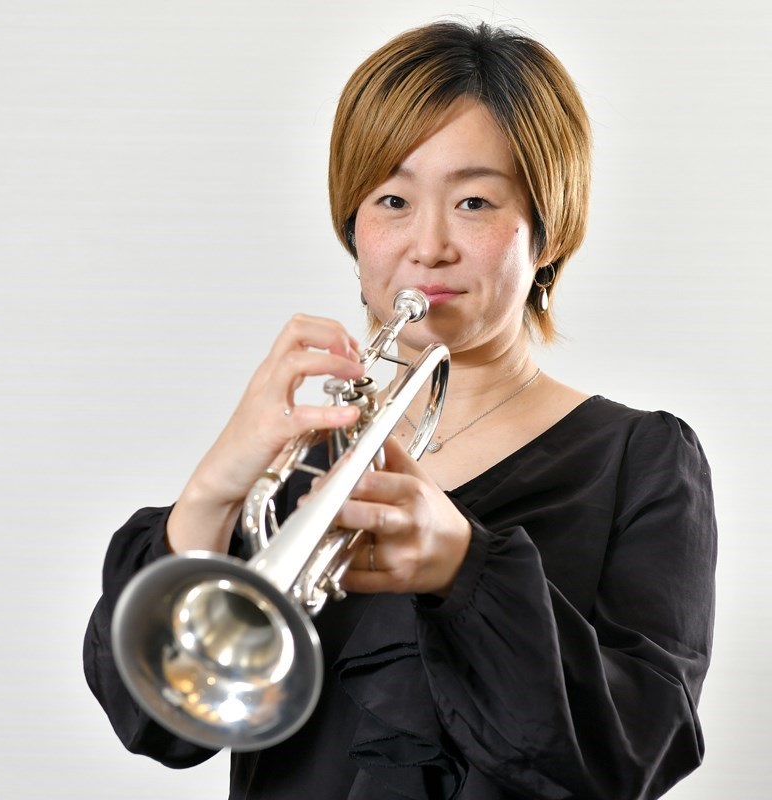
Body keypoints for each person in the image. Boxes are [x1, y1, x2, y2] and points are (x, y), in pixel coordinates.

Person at [83, 20, 717, 800]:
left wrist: (466, 569)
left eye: (475, 201)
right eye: (392, 200)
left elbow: (639, 754)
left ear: (549, 232)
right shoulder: (297, 468)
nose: (429, 245)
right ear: (354, 230)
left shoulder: (641, 462)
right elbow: (157, 724)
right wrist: (215, 487)